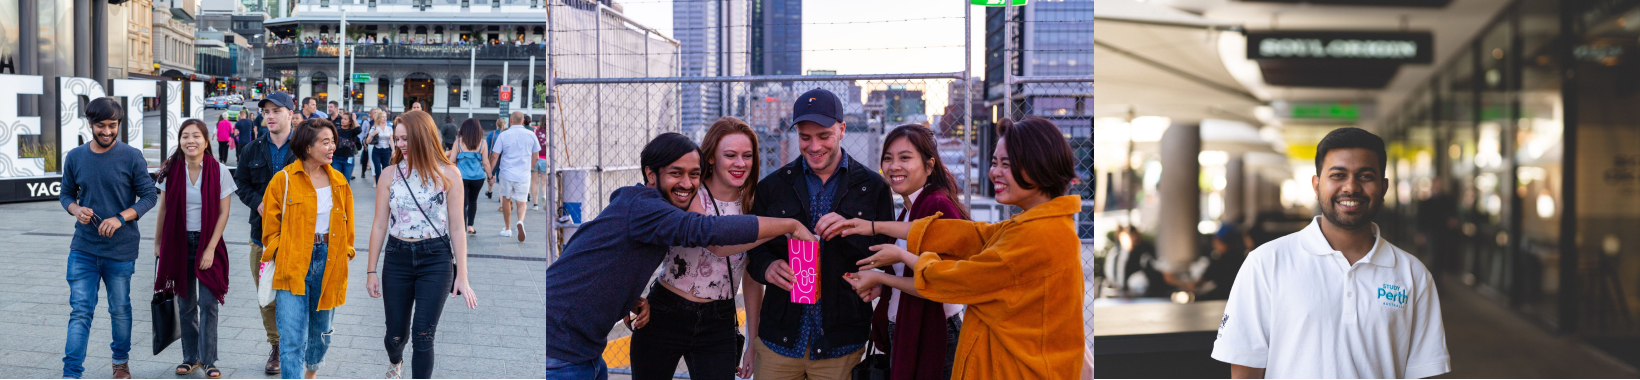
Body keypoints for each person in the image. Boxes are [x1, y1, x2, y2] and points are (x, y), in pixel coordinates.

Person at [543, 133, 819, 379]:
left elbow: (605, 258)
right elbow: (709, 232)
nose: (686, 183)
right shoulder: (646, 207)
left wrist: (628, 297)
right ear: (651, 174)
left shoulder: (651, 208)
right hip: (561, 346)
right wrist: (790, 225)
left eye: (693, 174)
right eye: (676, 173)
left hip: (585, 350)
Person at [830, 117, 1086, 379]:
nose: (994, 172)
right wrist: (873, 227)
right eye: (995, 162)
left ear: (1039, 165)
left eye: (1006, 164)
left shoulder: (1037, 236)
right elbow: (972, 234)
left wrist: (897, 259)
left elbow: (956, 278)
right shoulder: (1036, 224)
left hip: (1017, 368)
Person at [1211, 127, 1449, 379]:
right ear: (1316, 185)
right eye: (1338, 175)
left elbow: (1424, 370)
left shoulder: (1413, 274)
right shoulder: (1266, 262)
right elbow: (1245, 368)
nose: (1351, 187)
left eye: (1366, 176)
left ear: (1384, 187)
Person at [742, 88, 897, 380]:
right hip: (779, 339)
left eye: (823, 136)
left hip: (840, 342)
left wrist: (850, 230)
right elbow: (756, 251)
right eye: (804, 137)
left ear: (842, 130)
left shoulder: (873, 187)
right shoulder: (772, 187)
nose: (814, 146)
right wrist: (768, 267)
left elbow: (885, 253)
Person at [628, 117, 769, 380]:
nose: (740, 163)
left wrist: (753, 342)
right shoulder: (689, 192)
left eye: (747, 156)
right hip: (665, 311)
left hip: (719, 319)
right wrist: (779, 229)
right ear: (712, 157)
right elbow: (714, 242)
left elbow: (751, 279)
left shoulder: (753, 204)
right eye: (730, 155)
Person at [365, 110, 479, 379]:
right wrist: (371, 270)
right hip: (397, 257)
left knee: (424, 335)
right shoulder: (389, 175)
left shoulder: (449, 173)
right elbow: (380, 225)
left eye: (406, 138)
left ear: (423, 137)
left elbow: (457, 228)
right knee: (395, 336)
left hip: (435, 259)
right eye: (397, 139)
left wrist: (462, 275)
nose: (401, 144)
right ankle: (396, 360)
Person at [58, 97, 159, 380]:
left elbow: (149, 195)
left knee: (120, 309)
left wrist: (120, 217)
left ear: (119, 125)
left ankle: (120, 363)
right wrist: (76, 209)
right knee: (80, 312)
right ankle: (71, 373)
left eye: (112, 126)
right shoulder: (76, 157)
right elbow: (66, 194)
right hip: (83, 248)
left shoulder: (131, 156)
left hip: (121, 249)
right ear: (90, 124)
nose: (106, 131)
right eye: (100, 125)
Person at [868, 124, 970, 380]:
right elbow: (915, 276)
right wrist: (881, 289)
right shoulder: (909, 209)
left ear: (929, 165)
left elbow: (938, 284)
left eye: (905, 157)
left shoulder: (937, 206)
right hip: (908, 328)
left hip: (937, 332)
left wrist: (881, 278)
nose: (894, 166)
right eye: (888, 158)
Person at [262, 118, 356, 379]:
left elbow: (348, 230)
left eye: (333, 141)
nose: (332, 147)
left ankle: (310, 374)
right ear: (307, 147)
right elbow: (270, 229)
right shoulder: (283, 181)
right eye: (325, 142)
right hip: (293, 260)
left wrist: (345, 253)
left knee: (322, 331)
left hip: (329, 260)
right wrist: (282, 251)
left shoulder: (339, 182)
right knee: (291, 335)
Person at [152, 119, 235, 380]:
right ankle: (190, 358)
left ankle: (209, 360)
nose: (191, 140)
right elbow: (163, 210)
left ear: (206, 141)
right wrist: (157, 243)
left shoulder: (220, 170)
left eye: (196, 136)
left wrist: (210, 248)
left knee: (209, 304)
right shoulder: (171, 171)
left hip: (208, 243)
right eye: (185, 136)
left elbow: (224, 213)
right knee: (185, 304)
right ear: (179, 141)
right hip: (177, 243)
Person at [233, 91, 301, 375]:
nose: (270, 116)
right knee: (267, 295)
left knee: (295, 295)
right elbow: (241, 183)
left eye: (276, 111)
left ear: (290, 114)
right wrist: (258, 202)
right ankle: (276, 346)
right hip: (261, 237)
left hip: (298, 237)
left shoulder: (304, 147)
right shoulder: (251, 149)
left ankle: (293, 345)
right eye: (266, 111)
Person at [490, 111, 540, 241]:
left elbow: (495, 155)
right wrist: (530, 168)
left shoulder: (504, 135)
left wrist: (490, 172)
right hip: (523, 174)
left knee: (506, 200)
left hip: (506, 173)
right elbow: (536, 157)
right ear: (523, 121)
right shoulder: (531, 135)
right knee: (522, 202)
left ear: (511, 120)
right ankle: (520, 222)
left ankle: (507, 229)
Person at [447, 118, 490, 236]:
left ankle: (462, 228)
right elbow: (486, 163)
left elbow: (452, 161)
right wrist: (490, 177)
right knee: (473, 201)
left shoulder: (458, 143)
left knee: (463, 203)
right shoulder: (483, 143)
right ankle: (470, 226)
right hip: (478, 178)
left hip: (461, 178)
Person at [482, 116, 508, 200]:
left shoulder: (491, 134)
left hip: (493, 157)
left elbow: (488, 147)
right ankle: (501, 196)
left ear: (496, 124)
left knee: (491, 174)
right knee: (501, 177)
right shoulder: (506, 134)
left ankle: (490, 192)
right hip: (503, 158)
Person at [367, 109, 395, 184]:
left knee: (386, 168)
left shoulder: (389, 128)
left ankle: (386, 184)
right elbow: (367, 141)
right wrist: (373, 134)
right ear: (379, 118)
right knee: (377, 168)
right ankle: (378, 184)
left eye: (385, 117)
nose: (385, 118)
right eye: (383, 117)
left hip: (386, 151)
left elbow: (391, 140)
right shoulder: (374, 128)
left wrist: (393, 150)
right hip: (377, 151)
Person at [333, 112, 363, 181]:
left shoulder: (352, 131)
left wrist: (354, 119)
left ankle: (345, 192)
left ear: (350, 122)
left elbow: (359, 129)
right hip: (336, 158)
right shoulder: (336, 129)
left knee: (346, 181)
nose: (342, 120)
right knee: (336, 180)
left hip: (348, 159)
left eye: (345, 119)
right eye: (342, 118)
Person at [531, 115, 549, 211]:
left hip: (535, 158)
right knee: (544, 182)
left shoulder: (535, 132)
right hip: (546, 159)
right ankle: (545, 196)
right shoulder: (551, 132)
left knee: (534, 182)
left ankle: (535, 204)